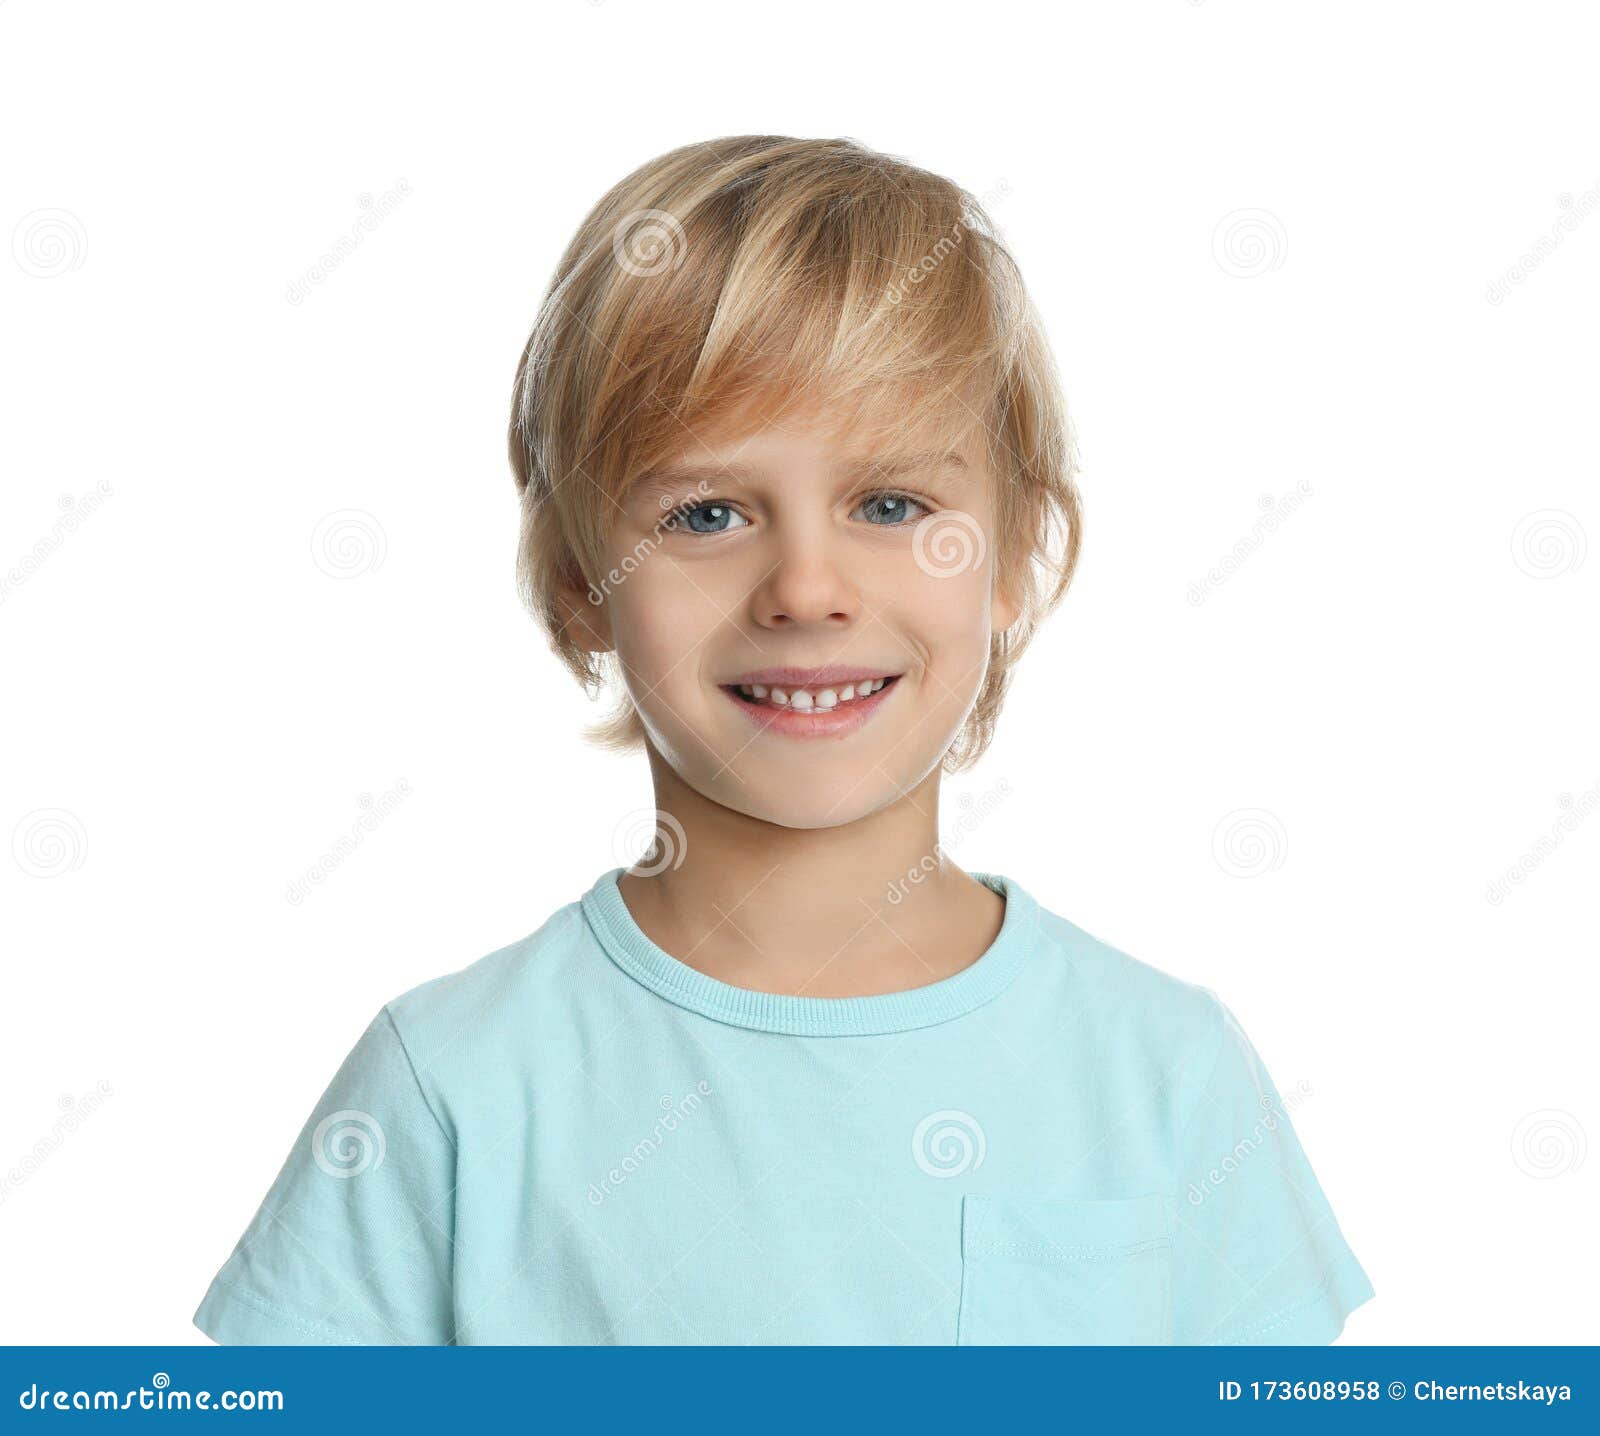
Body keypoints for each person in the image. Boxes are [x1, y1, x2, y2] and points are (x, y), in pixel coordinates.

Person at [194, 135, 1373, 1345]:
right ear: (576, 580)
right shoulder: (450, 1090)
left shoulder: (1164, 1070)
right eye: (705, 513)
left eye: (890, 504)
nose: (807, 588)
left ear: (1014, 554)